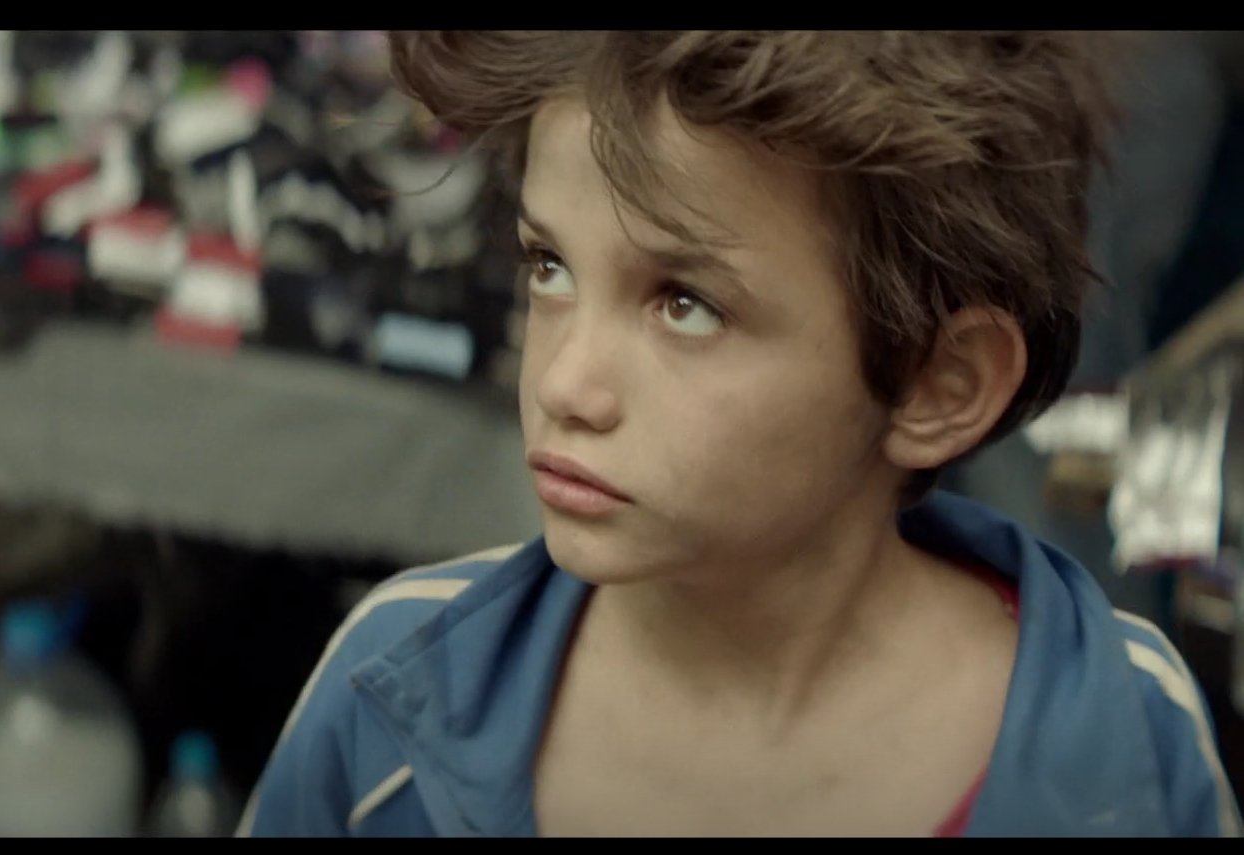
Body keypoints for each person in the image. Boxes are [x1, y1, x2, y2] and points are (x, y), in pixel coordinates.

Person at [239, 31, 1241, 837]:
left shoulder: (1123, 735)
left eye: (685, 304)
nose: (563, 384)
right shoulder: (391, 685)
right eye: (550, 267)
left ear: (939, 384)